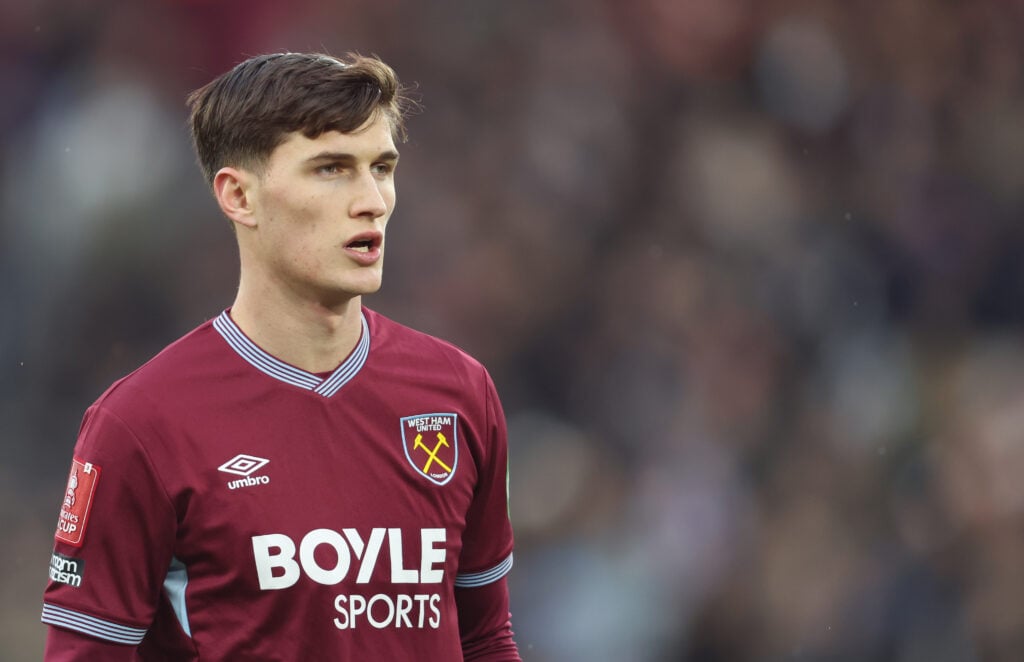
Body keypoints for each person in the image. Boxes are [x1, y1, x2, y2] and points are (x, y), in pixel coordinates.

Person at [41, 51, 521, 660]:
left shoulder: (458, 393)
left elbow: (483, 637)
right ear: (239, 196)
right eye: (331, 169)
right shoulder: (139, 426)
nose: (372, 199)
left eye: (382, 167)